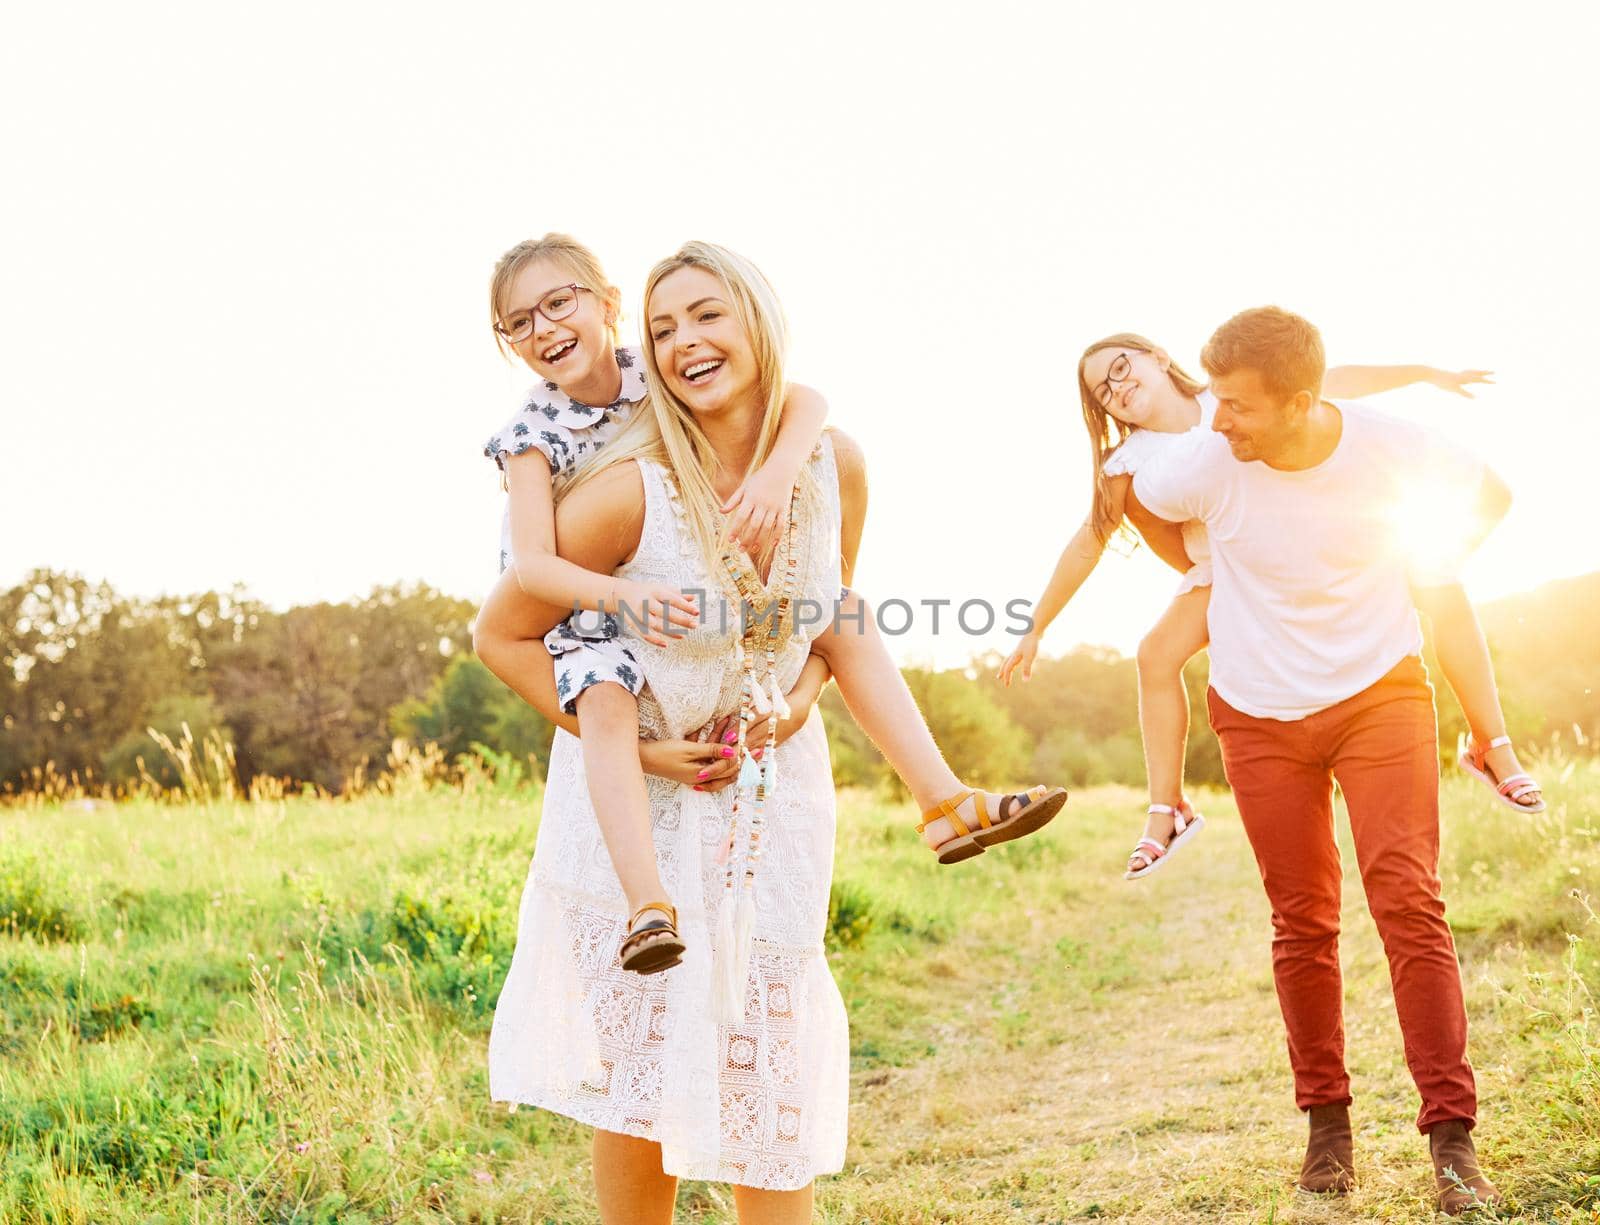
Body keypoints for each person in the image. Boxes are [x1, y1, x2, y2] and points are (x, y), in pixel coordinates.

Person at [1127, 305, 1502, 1214]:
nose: (1218, 420)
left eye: (1239, 406)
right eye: (1212, 400)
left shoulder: (1390, 446)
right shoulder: (1206, 460)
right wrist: (1201, 572)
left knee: (1408, 900)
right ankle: (1327, 1126)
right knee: (1302, 923)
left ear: (1302, 402)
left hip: (1380, 693)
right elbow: (1130, 495)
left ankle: (1452, 1139)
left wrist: (1424, 566)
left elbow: (1489, 493)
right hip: (1258, 714)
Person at [1000, 334, 1541, 881]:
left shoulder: (1232, 395)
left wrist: (1426, 372)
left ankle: (1491, 744)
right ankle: (1167, 810)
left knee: (1441, 584)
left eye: (1121, 366)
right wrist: (1037, 626)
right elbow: (1089, 540)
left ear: (1158, 358)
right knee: (1154, 655)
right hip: (1225, 573)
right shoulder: (1127, 464)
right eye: (1102, 389)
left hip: (1316, 549)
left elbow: (1338, 379)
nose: (1116, 386)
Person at [477, 233, 831, 975]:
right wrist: (623, 598)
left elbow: (802, 397)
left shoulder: (659, 372)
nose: (542, 328)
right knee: (604, 699)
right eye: (518, 322)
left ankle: (946, 801)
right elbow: (536, 567)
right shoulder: (529, 438)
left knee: (850, 621)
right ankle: (648, 906)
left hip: (655, 586)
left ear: (608, 305)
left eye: (557, 303)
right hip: (578, 608)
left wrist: (777, 471)